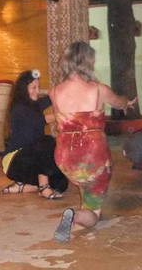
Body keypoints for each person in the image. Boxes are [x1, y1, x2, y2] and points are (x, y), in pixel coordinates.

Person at [49, 41, 136, 242]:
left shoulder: (55, 92)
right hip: (92, 152)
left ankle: (82, 209)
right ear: (88, 63)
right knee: (93, 212)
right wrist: (126, 103)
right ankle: (76, 216)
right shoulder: (97, 89)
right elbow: (119, 102)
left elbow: (62, 120)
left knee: (83, 184)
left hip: (65, 154)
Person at [0, 69, 68, 198]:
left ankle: (23, 186)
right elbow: (40, 121)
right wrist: (62, 116)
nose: (37, 91)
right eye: (33, 87)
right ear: (23, 89)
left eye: (38, 87)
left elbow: (56, 94)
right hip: (14, 161)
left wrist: (40, 90)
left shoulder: (35, 104)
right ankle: (43, 187)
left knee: (61, 183)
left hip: (32, 157)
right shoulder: (19, 107)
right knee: (47, 141)